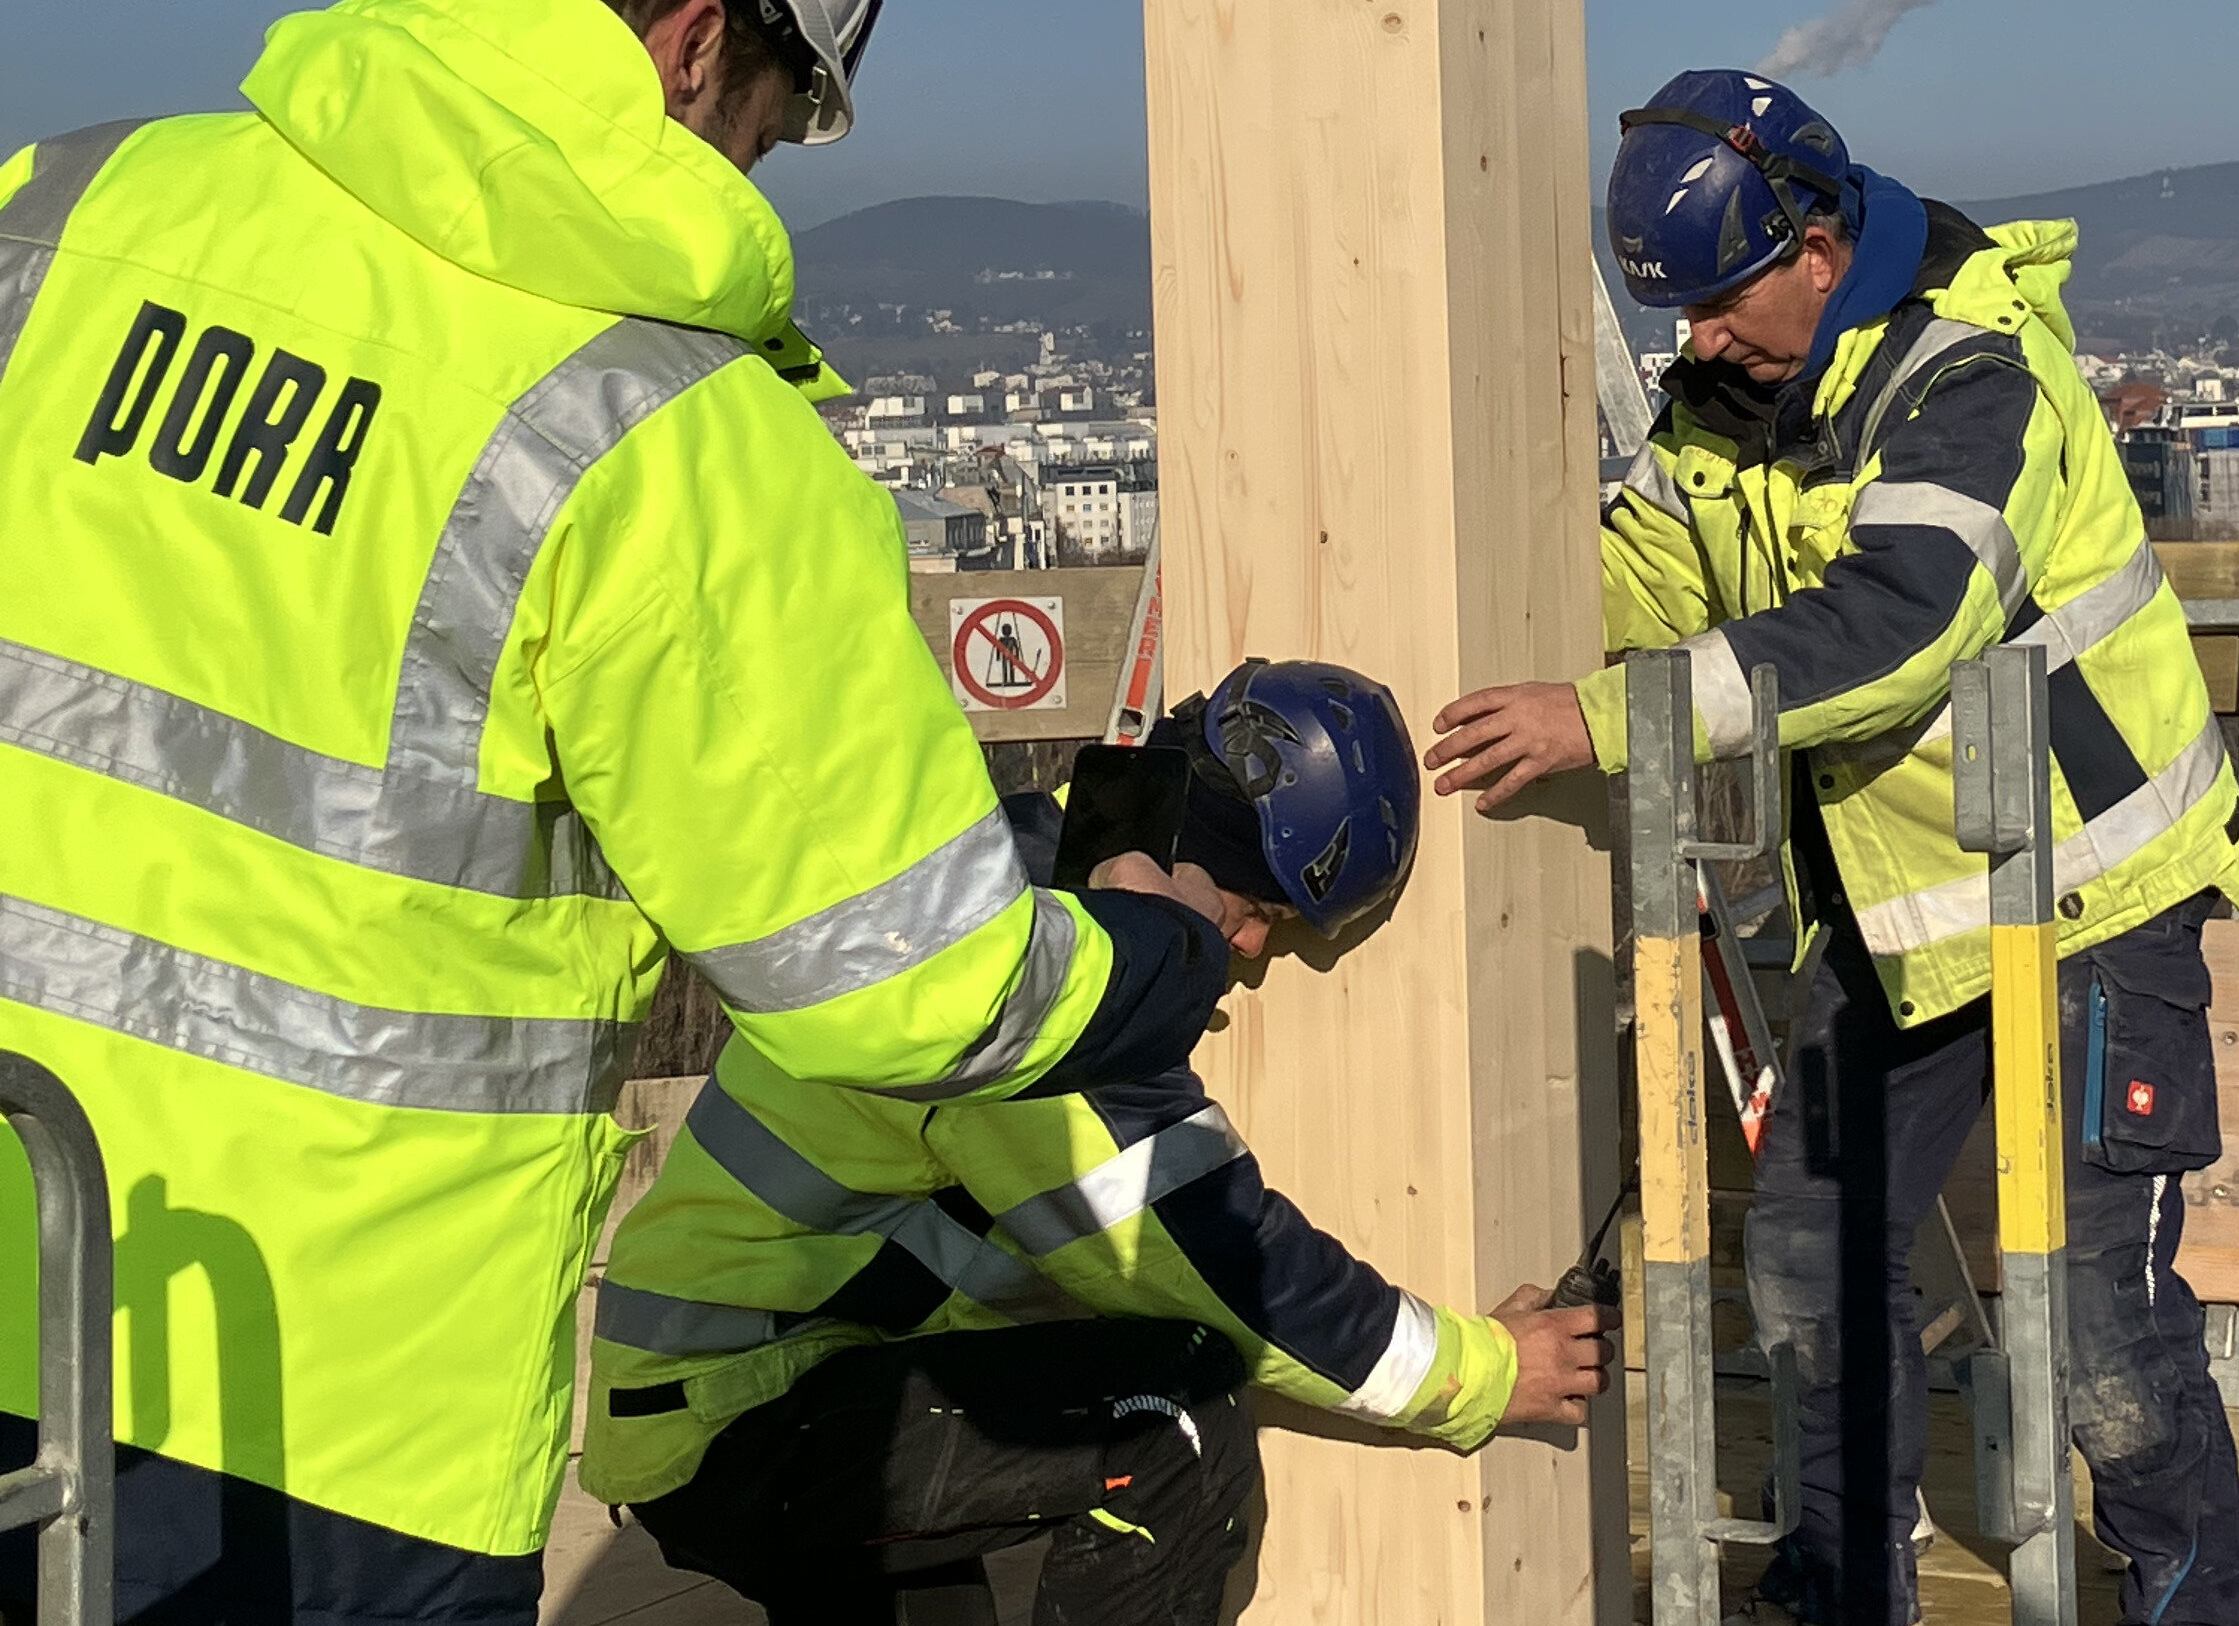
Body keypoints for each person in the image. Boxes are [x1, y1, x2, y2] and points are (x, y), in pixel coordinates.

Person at [1, 0, 1240, 1619]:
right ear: (694, 44)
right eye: (784, 117)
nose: (765, 168)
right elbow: (906, 989)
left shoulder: (67, 206)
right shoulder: (675, 431)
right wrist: (1158, 949)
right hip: (342, 1396)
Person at [1428, 71, 2239, 1625]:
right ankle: (1841, 1584)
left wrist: (1605, 723)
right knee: (1809, 1262)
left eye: (1718, 299)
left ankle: (2183, 1599)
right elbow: (1651, 599)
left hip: (2089, 892)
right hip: (1895, 914)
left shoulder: (1971, 377)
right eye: (1666, 313)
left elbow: (1900, 622)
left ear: (1817, 244)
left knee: (2096, 1323)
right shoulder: (1719, 413)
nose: (1693, 341)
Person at [586, 660, 1617, 1625]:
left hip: (762, 1390)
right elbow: (1219, 1264)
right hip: (749, 1412)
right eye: (1255, 910)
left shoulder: (1022, 890)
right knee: (1169, 1419)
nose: (1252, 952)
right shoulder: (1035, 988)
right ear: (1186, 849)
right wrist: (1481, 1373)